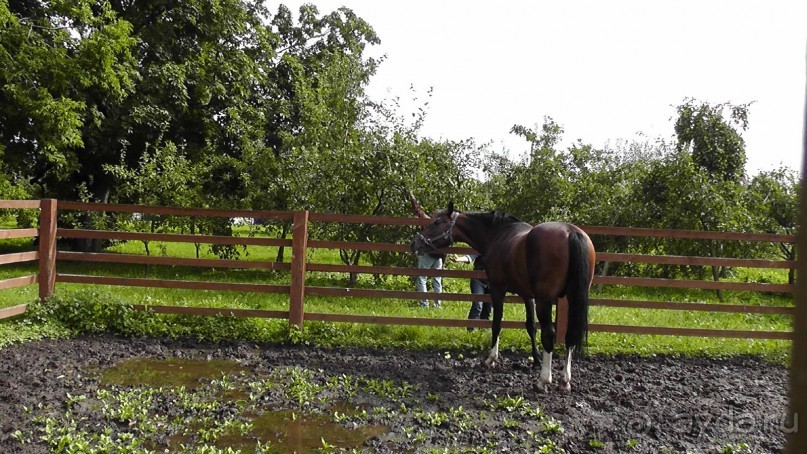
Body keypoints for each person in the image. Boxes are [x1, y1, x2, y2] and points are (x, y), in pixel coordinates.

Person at [452, 254, 491, 330]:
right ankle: (471, 330)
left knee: (488, 308)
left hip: (492, 281)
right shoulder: (481, 246)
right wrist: (459, 259)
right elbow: (470, 256)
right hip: (478, 279)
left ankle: (483, 330)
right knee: (477, 305)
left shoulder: (498, 247)